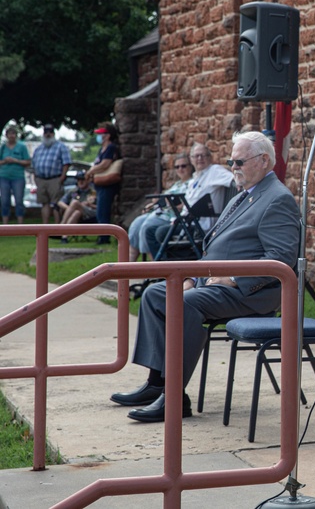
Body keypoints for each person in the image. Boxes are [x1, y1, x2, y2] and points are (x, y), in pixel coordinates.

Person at [109, 130, 299, 423]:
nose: (232, 167)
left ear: (263, 161)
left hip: (251, 293)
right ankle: (157, 383)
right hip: (215, 284)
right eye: (230, 161)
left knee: (186, 304)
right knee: (154, 294)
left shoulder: (277, 199)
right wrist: (192, 278)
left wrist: (233, 279)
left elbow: (281, 259)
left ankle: (174, 396)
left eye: (238, 161)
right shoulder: (245, 194)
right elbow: (214, 250)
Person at [146, 142, 233, 256]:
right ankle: (170, 264)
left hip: (201, 226)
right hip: (188, 222)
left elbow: (234, 180)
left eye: (203, 155)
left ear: (209, 157)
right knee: (150, 230)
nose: (200, 158)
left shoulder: (214, 171)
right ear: (191, 160)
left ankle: (168, 265)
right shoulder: (195, 178)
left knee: (158, 232)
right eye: (196, 156)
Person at [127, 153, 192, 262]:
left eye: (183, 166)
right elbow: (163, 201)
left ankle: (154, 265)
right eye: (177, 167)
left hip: (172, 217)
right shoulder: (177, 184)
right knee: (137, 223)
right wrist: (153, 205)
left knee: (147, 226)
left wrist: (172, 205)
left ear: (190, 167)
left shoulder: (192, 184)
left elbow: (187, 205)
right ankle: (129, 265)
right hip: (160, 213)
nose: (180, 169)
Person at [83, 122, 121, 244]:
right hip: (99, 185)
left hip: (107, 185)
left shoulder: (110, 148)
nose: (99, 137)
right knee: (100, 210)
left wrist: (91, 171)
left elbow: (105, 164)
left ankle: (104, 237)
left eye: (102, 134)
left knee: (103, 211)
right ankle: (102, 235)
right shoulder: (102, 149)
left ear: (108, 135)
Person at [30, 124, 72, 226]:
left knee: (56, 204)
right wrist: (35, 178)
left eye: (50, 132)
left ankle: (57, 227)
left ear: (53, 133)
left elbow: (66, 163)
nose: (48, 134)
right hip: (41, 179)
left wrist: (62, 177)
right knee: (44, 203)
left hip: (55, 178)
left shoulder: (61, 147)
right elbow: (33, 165)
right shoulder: (39, 148)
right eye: (46, 132)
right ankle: (45, 226)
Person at [0, 125, 31, 224]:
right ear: (6, 135)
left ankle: (20, 224)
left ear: (16, 135)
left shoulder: (21, 147)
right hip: (4, 176)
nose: (11, 136)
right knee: (4, 201)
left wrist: (15, 160)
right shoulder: (3, 147)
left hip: (18, 177)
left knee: (19, 201)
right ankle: (5, 225)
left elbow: (28, 162)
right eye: (9, 134)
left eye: (13, 134)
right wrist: (5, 161)